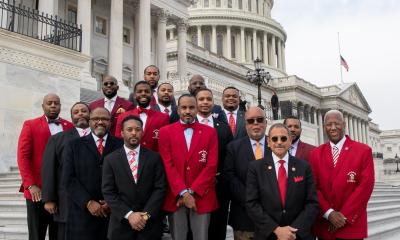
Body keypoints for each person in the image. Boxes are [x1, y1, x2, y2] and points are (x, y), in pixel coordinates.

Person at [159, 94, 219, 240]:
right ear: (178, 110)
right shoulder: (165, 132)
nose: (188, 111)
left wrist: (192, 192)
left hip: (202, 195)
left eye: (191, 107)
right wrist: (183, 193)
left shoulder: (210, 132)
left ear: (197, 109)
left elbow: (211, 166)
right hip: (176, 197)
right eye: (184, 107)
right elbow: (168, 165)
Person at [246, 123, 319, 240]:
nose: (279, 142)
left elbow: (312, 203)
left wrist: (292, 231)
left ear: (290, 141)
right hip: (268, 235)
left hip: (298, 235)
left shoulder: (304, 167)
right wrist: (276, 230)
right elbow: (252, 204)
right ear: (269, 142)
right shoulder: (255, 168)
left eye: (283, 138)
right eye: (275, 139)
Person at [310, 110, 374, 240]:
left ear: (344, 124)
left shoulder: (363, 151)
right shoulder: (315, 153)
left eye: (337, 123)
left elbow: (365, 187)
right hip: (325, 227)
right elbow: (313, 187)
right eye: (329, 124)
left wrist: (342, 216)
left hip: (351, 226)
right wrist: (329, 213)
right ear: (324, 127)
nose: (333, 128)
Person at [17, 93, 73, 240]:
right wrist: (30, 185)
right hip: (37, 192)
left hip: (61, 193)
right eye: (49, 103)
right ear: (43, 106)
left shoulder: (70, 127)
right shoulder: (30, 125)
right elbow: (23, 157)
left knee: (59, 234)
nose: (53, 105)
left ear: (61, 106)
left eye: (56, 103)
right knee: (37, 235)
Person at [102, 115, 167, 240]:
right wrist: (129, 215)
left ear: (142, 132)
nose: (134, 133)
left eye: (137, 130)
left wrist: (145, 215)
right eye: (129, 129)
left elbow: (160, 188)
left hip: (149, 224)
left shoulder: (154, 158)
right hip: (121, 225)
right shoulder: (110, 159)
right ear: (121, 133)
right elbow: (108, 191)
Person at [62, 107, 123, 240]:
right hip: (81, 216)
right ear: (89, 122)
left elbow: (127, 178)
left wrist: (112, 203)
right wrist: (88, 202)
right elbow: (68, 178)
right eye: (96, 119)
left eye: (105, 119)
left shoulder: (122, 145)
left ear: (111, 122)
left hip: (114, 216)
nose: (100, 122)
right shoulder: (73, 145)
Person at [41, 102, 91, 240]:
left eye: (83, 111)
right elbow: (49, 170)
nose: (80, 113)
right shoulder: (57, 139)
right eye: (76, 112)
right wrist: (49, 199)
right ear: (71, 117)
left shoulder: (101, 138)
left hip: (95, 202)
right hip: (67, 202)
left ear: (90, 115)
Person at [224, 106, 270, 240]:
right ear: (245, 125)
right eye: (251, 121)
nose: (255, 123)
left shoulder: (277, 144)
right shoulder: (234, 147)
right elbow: (230, 177)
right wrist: (251, 201)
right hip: (244, 219)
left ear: (266, 123)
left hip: (274, 219)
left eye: (260, 120)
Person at [195, 88, 233, 240]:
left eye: (208, 99)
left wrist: (219, 176)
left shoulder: (223, 128)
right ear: (196, 102)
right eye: (201, 99)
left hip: (218, 188)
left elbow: (229, 158)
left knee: (217, 230)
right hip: (194, 188)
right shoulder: (186, 126)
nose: (205, 102)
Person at [115, 81, 169, 152]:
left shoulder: (163, 118)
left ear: (152, 94)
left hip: (153, 161)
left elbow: (166, 144)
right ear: (134, 95)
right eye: (140, 91)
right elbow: (118, 141)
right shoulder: (122, 117)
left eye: (146, 91)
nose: (143, 93)